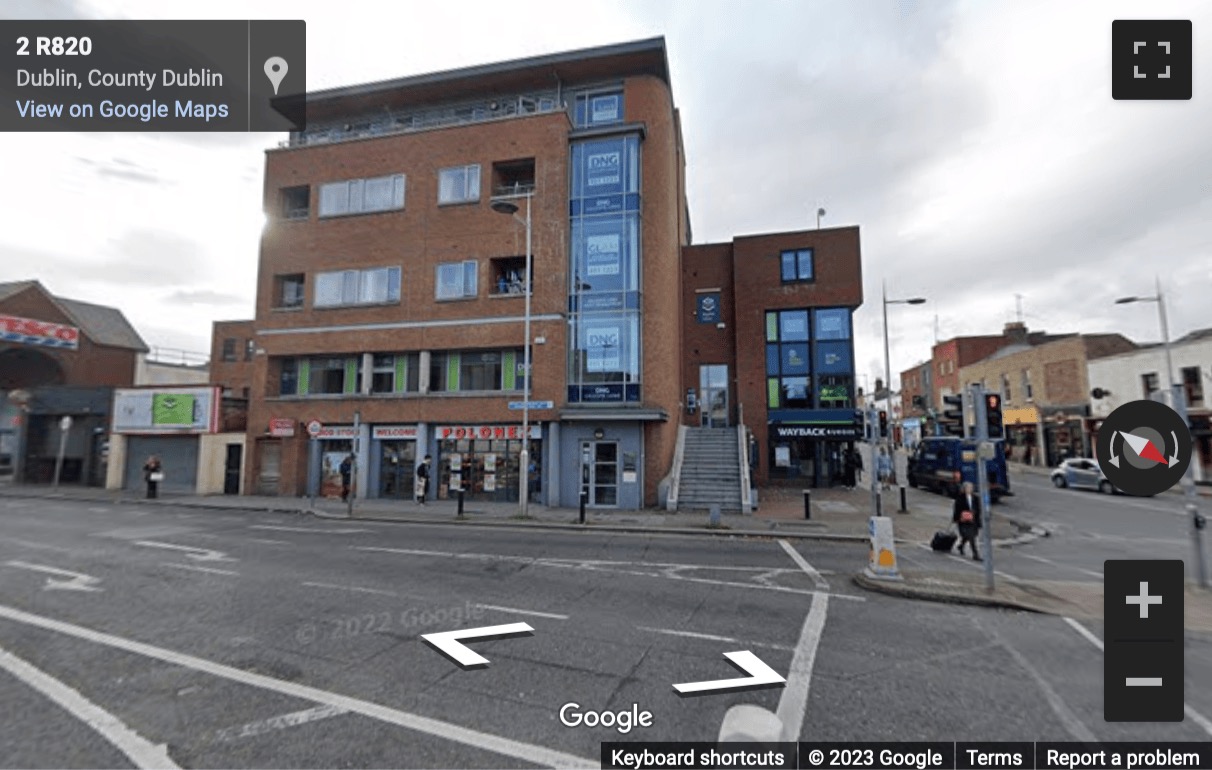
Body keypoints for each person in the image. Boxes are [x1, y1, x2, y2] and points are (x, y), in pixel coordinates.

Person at [952, 481, 982, 561]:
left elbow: (978, 510)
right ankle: (976, 554)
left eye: (971, 488)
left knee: (970, 536)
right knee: (971, 537)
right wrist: (956, 519)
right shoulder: (960, 498)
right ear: (964, 489)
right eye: (968, 488)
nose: (969, 489)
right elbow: (957, 510)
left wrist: (978, 520)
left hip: (973, 521)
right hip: (964, 521)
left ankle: (961, 545)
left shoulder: (975, 498)